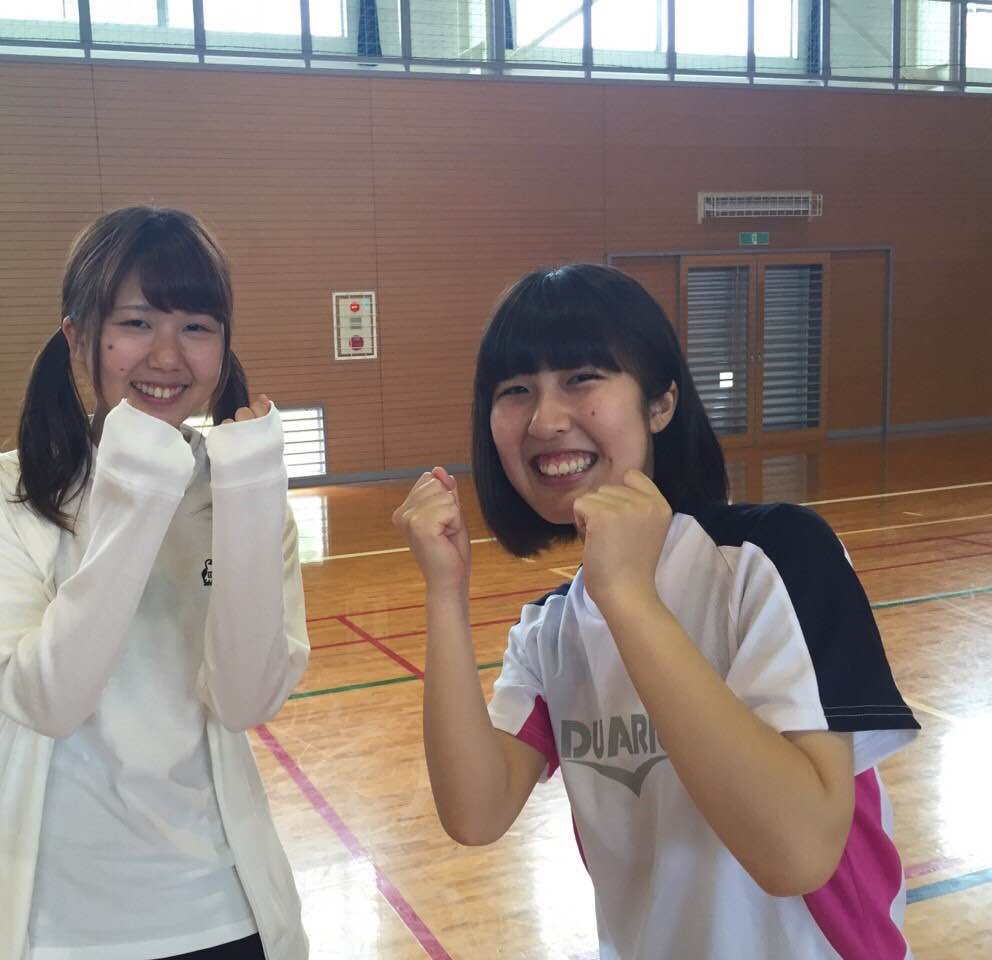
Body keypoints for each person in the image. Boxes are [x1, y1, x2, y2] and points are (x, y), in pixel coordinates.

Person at [392, 264, 918, 959]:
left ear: (661, 402)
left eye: (582, 378)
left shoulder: (776, 559)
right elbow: (475, 810)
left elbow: (798, 852)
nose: (545, 420)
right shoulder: (550, 631)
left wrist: (630, 597)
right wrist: (444, 592)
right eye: (515, 390)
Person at [0, 206, 309, 960]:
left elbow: (246, 700)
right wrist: (137, 490)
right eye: (136, 323)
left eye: (196, 326)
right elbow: (51, 699)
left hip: (220, 912)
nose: (167, 354)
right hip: (50, 928)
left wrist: (248, 499)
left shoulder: (237, 492)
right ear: (78, 337)